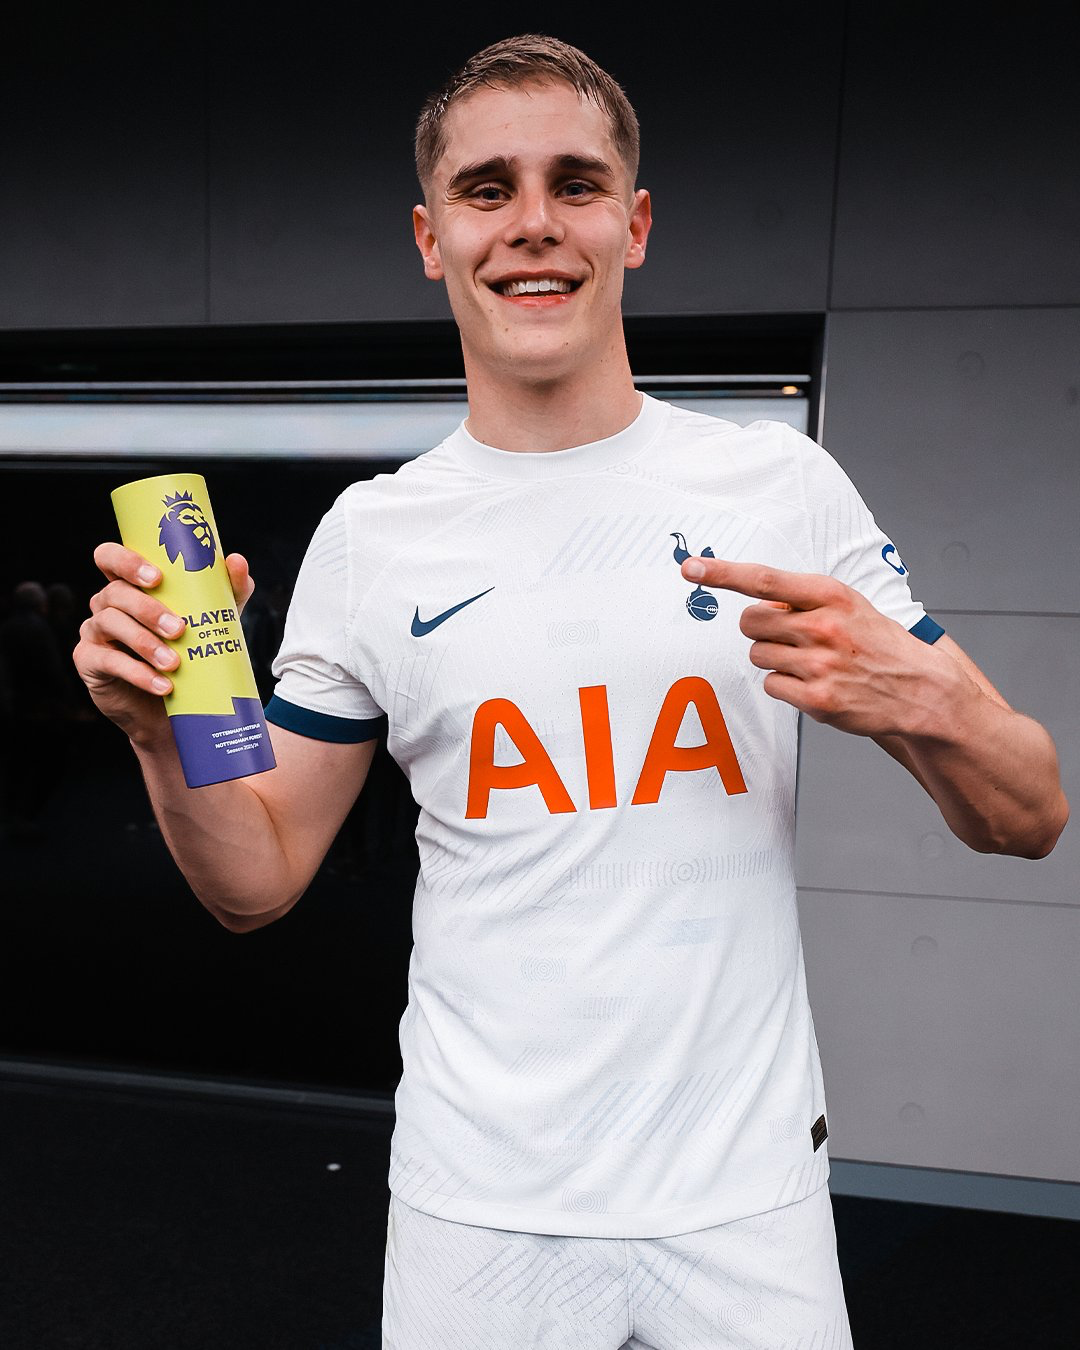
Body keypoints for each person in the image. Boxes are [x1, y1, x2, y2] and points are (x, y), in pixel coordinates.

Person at [74, 33, 1068, 1350]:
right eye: (486, 190)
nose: (533, 224)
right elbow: (255, 878)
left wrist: (928, 700)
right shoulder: (374, 536)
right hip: (479, 1208)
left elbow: (1031, 810)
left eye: (576, 183)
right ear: (430, 238)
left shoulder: (782, 489)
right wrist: (160, 733)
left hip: (744, 1198)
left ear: (635, 223)